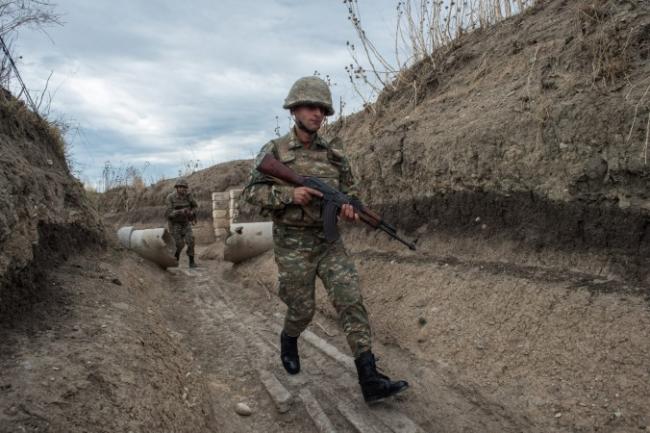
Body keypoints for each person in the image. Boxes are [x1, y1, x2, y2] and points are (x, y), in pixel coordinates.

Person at [243, 76, 408, 403]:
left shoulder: (336, 155)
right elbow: (252, 192)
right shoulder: (274, 151)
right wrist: (290, 194)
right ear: (294, 110)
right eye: (309, 106)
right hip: (292, 245)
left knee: (350, 300)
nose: (316, 113)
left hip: (329, 243)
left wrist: (349, 209)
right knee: (302, 310)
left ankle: (369, 378)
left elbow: (352, 193)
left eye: (321, 108)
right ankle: (289, 339)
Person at [165, 178, 198, 268]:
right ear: (177, 188)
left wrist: (192, 213)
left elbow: (195, 206)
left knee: (191, 240)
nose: (183, 189)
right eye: (181, 187)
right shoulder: (170, 197)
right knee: (178, 244)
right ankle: (176, 260)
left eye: (185, 187)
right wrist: (180, 211)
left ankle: (191, 262)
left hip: (185, 222)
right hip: (174, 223)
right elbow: (168, 214)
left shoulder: (189, 196)